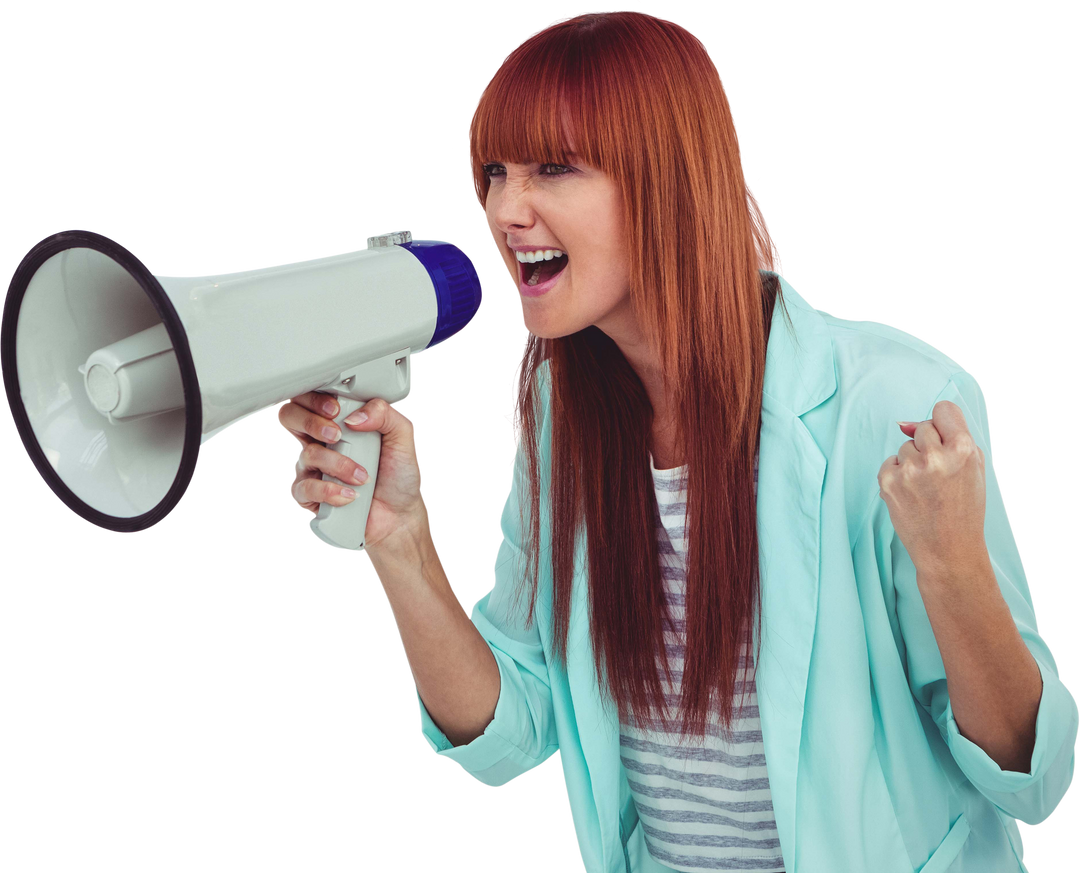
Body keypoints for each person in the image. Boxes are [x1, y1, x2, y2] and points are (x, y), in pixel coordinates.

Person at [277, 10, 1077, 873]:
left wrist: (952, 562)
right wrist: (402, 542)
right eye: (496, 171)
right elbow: (510, 732)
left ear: (670, 179)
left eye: (555, 167)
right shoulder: (559, 418)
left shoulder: (894, 401)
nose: (506, 209)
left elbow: (1031, 783)